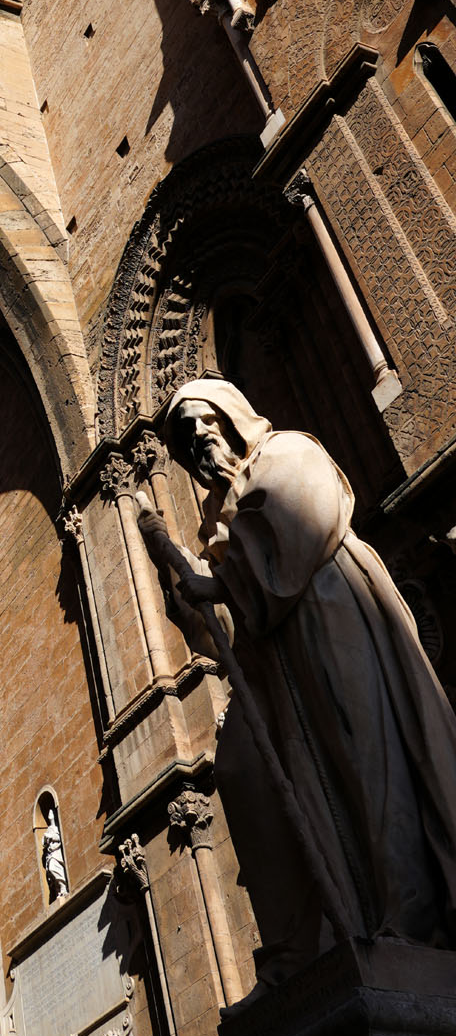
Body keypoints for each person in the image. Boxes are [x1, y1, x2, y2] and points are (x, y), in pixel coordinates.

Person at [137, 377, 456, 979]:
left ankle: (413, 917)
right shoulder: (219, 524)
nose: (199, 436)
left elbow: (297, 532)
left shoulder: (287, 454)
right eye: (185, 435)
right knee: (303, 782)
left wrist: (220, 580)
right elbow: (229, 633)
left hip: (332, 615)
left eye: (206, 420)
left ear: (233, 415)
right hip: (285, 659)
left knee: (370, 758)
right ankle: (337, 934)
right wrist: (186, 585)